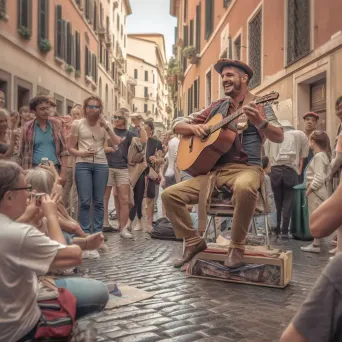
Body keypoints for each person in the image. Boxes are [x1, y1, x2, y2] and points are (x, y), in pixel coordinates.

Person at [162, 59, 283, 268]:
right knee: (169, 195)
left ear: (244, 79)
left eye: (230, 75)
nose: (225, 79)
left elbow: (279, 136)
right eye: (223, 76)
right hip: (215, 174)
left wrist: (260, 123)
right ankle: (193, 241)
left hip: (248, 169)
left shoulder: (261, 104)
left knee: (245, 187)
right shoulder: (217, 107)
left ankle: (236, 246)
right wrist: (194, 129)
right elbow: (178, 126)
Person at [0, 160, 109, 342]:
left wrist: (85, 243)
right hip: (17, 329)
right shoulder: (17, 233)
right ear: (9, 197)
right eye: (24, 189)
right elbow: (71, 255)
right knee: (99, 292)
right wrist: (51, 215)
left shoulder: (13, 227)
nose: (27, 194)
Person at [281, 181, 342, 342]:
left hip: (317, 193)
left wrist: (311, 188)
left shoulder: (339, 270)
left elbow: (317, 225)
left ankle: (316, 245)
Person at [67, 95, 121, 258]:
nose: (93, 110)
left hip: (101, 165)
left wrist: (107, 127)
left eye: (97, 107)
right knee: (84, 201)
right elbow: (70, 148)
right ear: (85, 108)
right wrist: (81, 153)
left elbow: (116, 142)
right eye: (90, 106)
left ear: (100, 109)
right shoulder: (77, 124)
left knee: (98, 201)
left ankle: (98, 236)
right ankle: (85, 237)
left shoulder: (104, 125)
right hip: (83, 164)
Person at [103, 109, 147, 239]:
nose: (116, 119)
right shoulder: (108, 131)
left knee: (125, 199)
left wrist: (140, 125)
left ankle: (123, 228)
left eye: (119, 118)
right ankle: (104, 223)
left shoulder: (129, 134)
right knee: (104, 198)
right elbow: (104, 147)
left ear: (124, 120)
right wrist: (112, 147)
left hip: (123, 168)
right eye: (115, 117)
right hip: (108, 166)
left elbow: (143, 140)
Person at [264, 120, 309, 240]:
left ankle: (276, 229)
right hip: (291, 170)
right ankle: (284, 231)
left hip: (275, 171)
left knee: (276, 201)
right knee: (288, 202)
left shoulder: (270, 136)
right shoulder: (299, 134)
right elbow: (304, 154)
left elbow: (267, 156)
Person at [19, 95, 68, 185]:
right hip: (34, 170)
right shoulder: (27, 127)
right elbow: (22, 153)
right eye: (42, 109)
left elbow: (64, 151)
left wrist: (63, 173)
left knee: (55, 197)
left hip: (54, 169)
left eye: (47, 108)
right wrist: (24, 173)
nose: (46, 111)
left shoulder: (57, 124)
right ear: (34, 111)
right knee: (36, 197)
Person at [300, 131, 331, 253]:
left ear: (313, 142)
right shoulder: (324, 155)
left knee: (315, 217)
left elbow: (319, 177)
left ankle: (316, 245)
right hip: (320, 191)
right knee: (317, 217)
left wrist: (309, 190)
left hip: (317, 192)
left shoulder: (319, 157)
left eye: (310, 140)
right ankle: (316, 243)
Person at [62, 105, 82, 215]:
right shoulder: (67, 129)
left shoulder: (81, 128)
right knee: (65, 191)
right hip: (67, 164)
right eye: (73, 114)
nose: (75, 116)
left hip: (76, 162)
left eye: (77, 114)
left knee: (76, 191)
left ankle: (75, 216)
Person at [145, 120, 164, 234]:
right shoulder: (138, 141)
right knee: (136, 199)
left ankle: (149, 224)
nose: (145, 131)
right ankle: (136, 222)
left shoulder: (157, 142)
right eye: (143, 129)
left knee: (150, 199)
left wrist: (156, 159)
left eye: (146, 129)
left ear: (151, 130)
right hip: (139, 173)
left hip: (150, 173)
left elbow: (161, 159)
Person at [299, 112, 320, 183]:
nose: (310, 122)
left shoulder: (319, 137)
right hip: (300, 169)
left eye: (313, 120)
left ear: (316, 123)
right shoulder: (299, 136)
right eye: (307, 119)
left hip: (314, 169)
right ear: (304, 122)